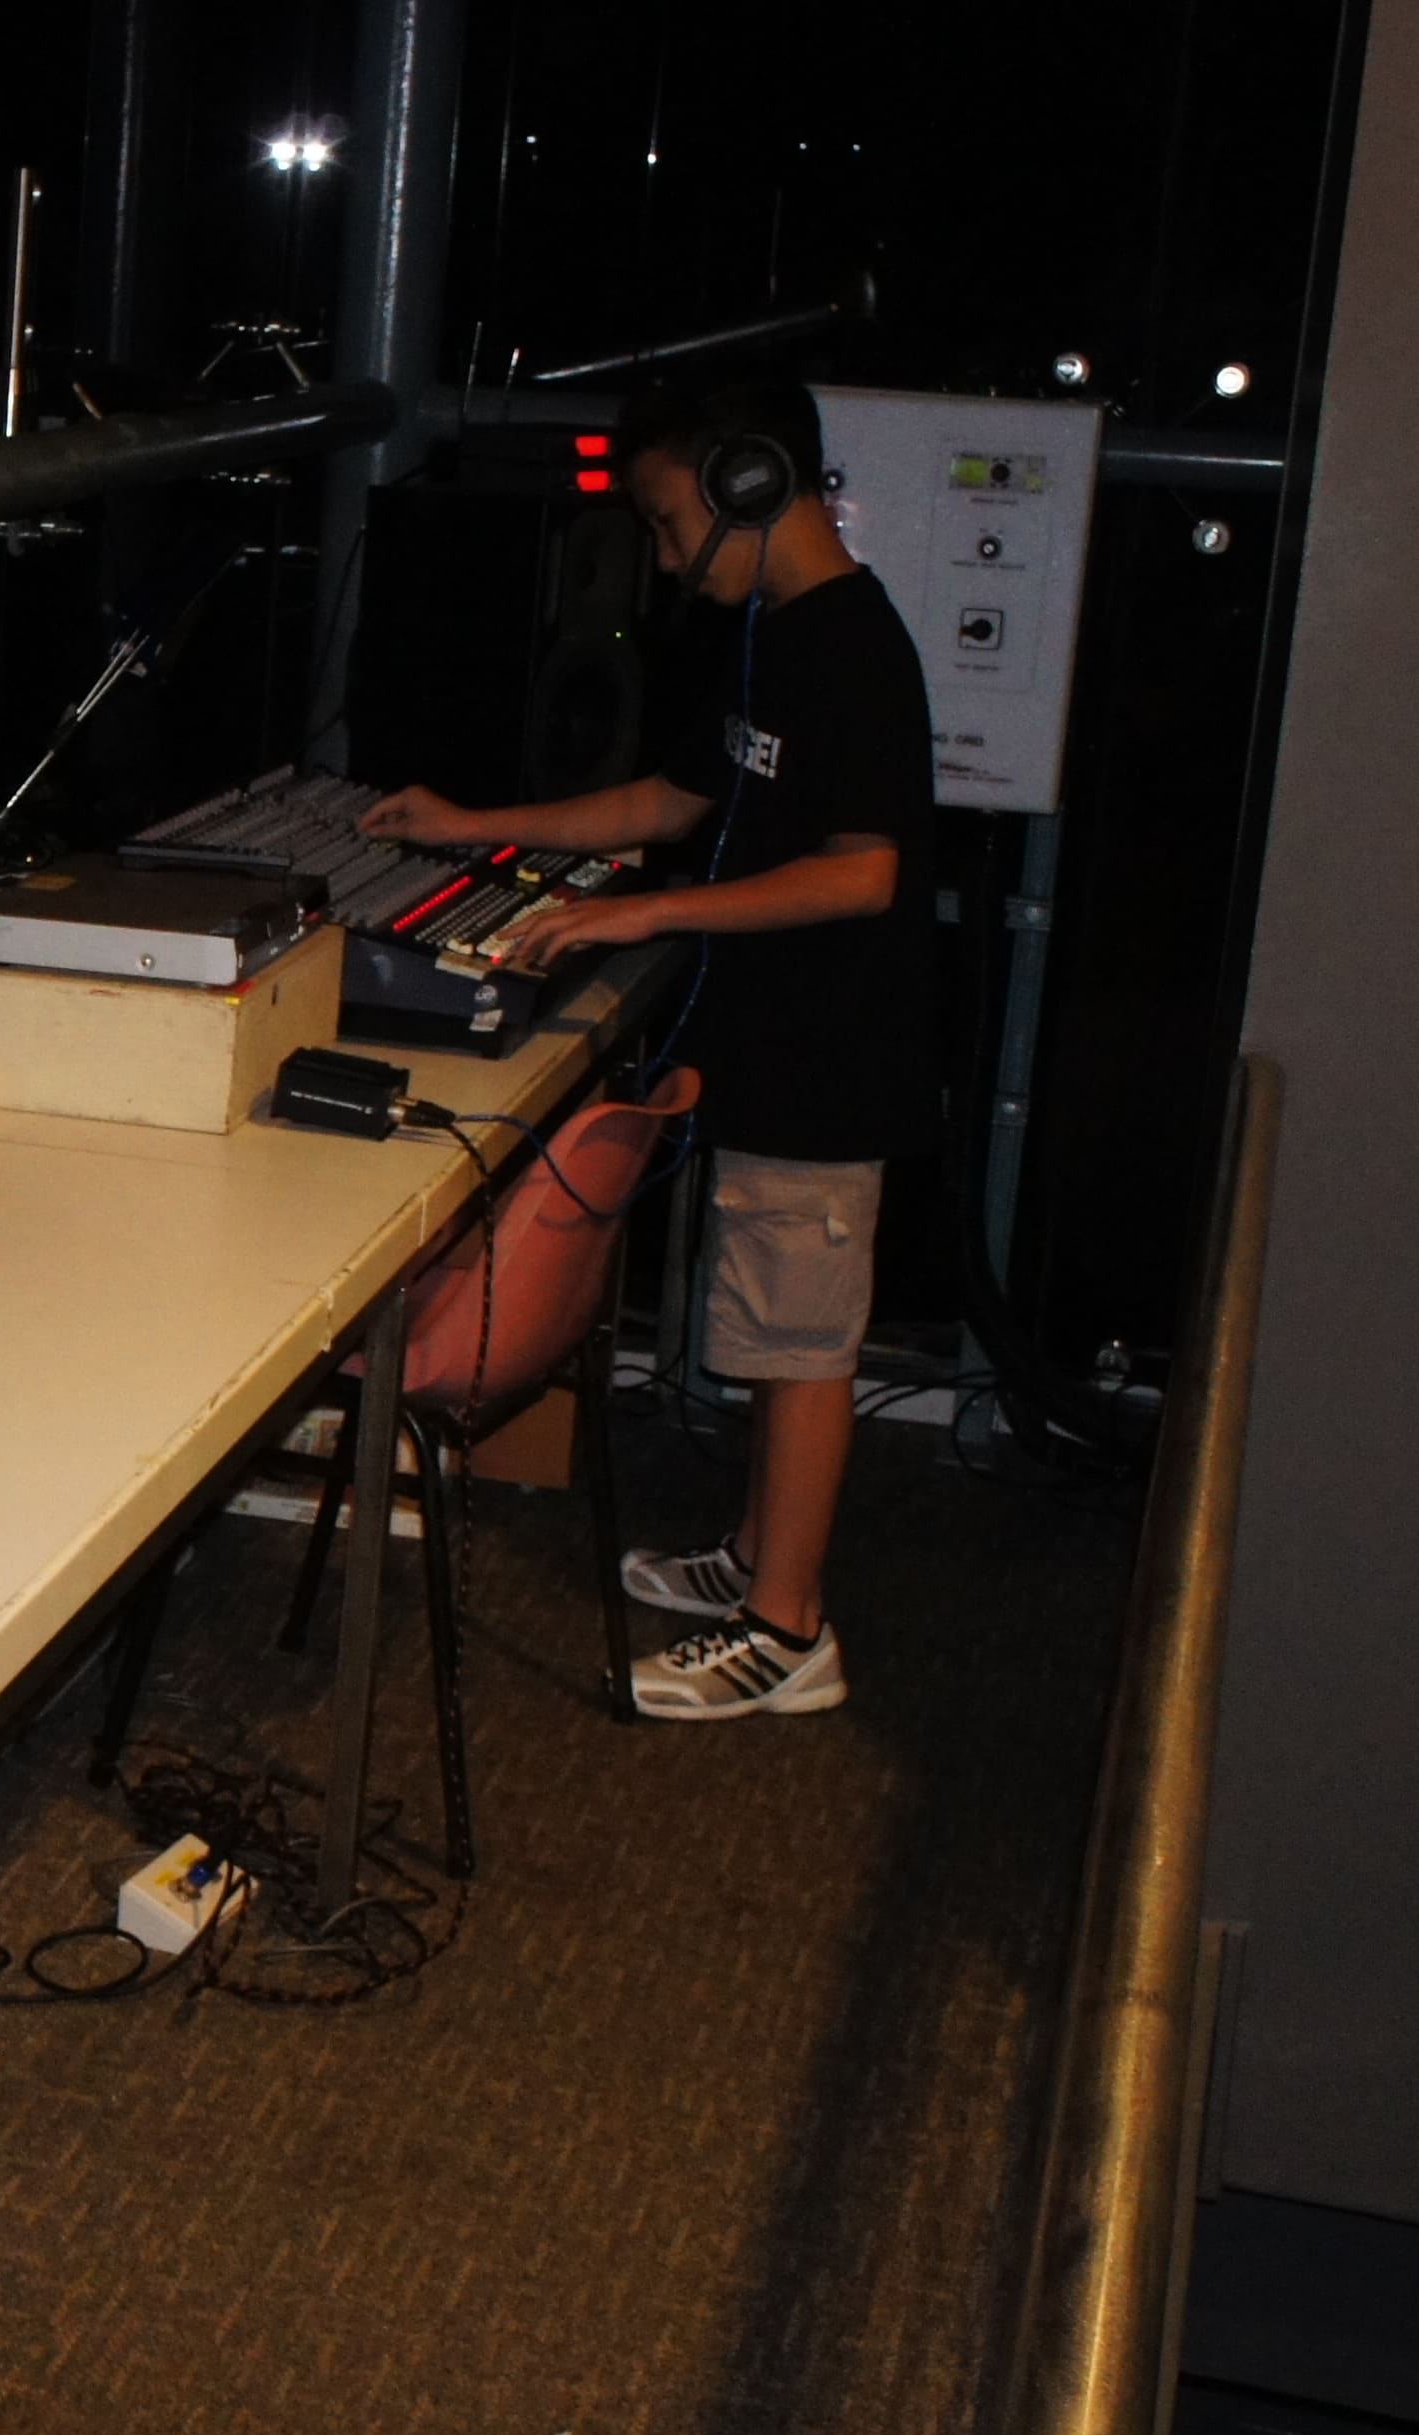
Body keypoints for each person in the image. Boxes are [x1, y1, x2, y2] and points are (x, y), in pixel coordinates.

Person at [352, 374, 939, 1722]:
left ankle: (790, 1632)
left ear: (752, 485)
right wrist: (470, 822)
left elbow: (863, 875)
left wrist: (650, 908)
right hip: (778, 1042)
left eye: (673, 525)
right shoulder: (771, 639)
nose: (666, 558)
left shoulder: (853, 646)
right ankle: (758, 1557)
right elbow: (674, 798)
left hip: (835, 1052)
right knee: (768, 1316)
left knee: (799, 1342)